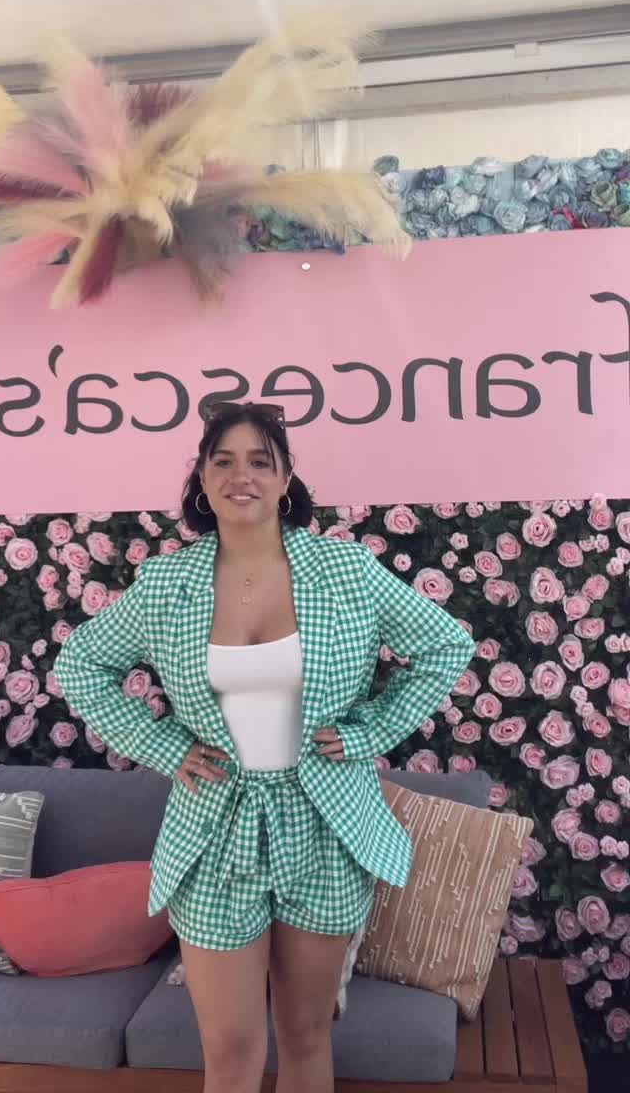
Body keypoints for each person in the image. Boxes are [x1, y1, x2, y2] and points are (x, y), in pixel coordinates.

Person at [54, 402, 474, 1093]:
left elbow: (445, 645)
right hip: (214, 828)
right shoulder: (166, 585)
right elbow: (81, 664)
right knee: (229, 1047)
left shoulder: (346, 571)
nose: (240, 475)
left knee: (306, 1034)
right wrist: (162, 746)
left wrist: (370, 731)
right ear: (201, 477)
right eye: (222, 460)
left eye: (259, 461)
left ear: (285, 478)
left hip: (325, 825)